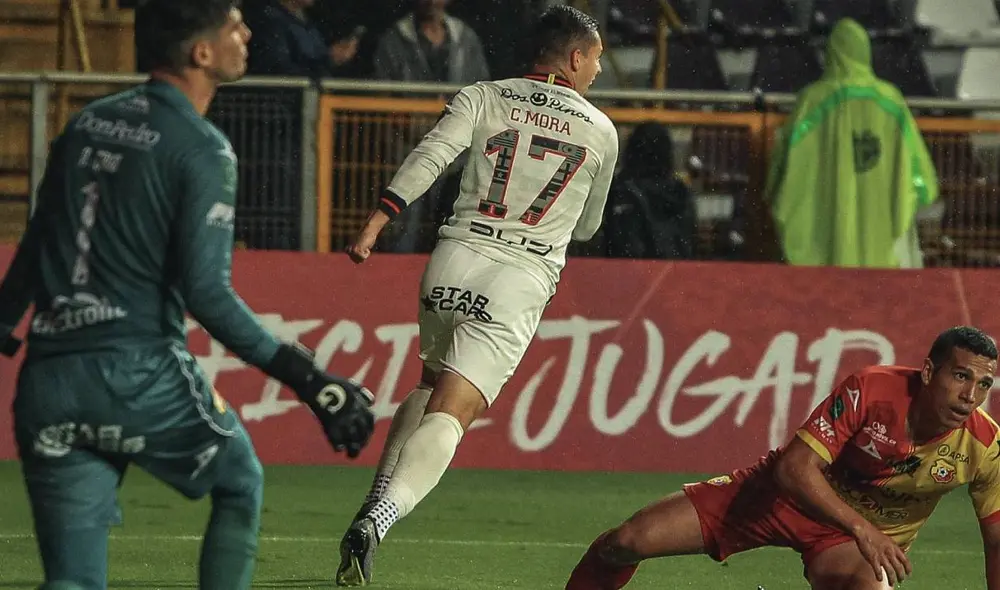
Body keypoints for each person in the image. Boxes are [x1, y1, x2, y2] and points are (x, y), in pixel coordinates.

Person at [0, 1, 375, 589]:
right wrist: (311, 382)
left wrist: (3, 319)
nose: (247, 33)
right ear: (202, 53)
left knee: (73, 580)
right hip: (137, 373)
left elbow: (38, 240)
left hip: (50, 382)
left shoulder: (86, 124)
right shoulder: (203, 149)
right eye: (234, 25)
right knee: (240, 481)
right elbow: (207, 294)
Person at [335, 5, 619, 586]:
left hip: (452, 260)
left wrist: (375, 224)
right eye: (594, 59)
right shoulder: (599, 129)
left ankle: (374, 499)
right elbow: (587, 228)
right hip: (518, 276)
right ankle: (381, 518)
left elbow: (432, 157)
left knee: (428, 381)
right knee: (454, 410)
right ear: (573, 57)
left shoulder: (483, 95)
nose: (596, 70)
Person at [565, 325, 1000, 590]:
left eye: (984, 384)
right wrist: (864, 528)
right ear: (928, 372)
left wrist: (859, 533)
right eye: (960, 376)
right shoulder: (874, 389)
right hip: (777, 498)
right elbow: (794, 469)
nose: (970, 395)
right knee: (625, 543)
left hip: (845, 543)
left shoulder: (985, 444)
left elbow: (997, 540)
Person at [765, 18, 939, 269]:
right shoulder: (890, 100)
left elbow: (785, 165)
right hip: (880, 232)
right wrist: (924, 189)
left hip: (824, 233)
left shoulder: (811, 101)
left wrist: (773, 188)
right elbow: (917, 168)